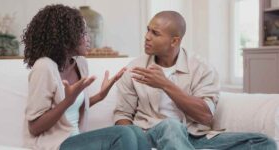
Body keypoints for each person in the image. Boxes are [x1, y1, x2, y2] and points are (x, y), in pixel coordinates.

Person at [114, 10, 277, 150]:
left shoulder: (201, 68)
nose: (147, 37)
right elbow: (122, 115)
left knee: (263, 143)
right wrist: (135, 143)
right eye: (148, 30)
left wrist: (165, 84)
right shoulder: (134, 69)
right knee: (171, 125)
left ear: (174, 41)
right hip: (149, 135)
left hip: (194, 136)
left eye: (155, 33)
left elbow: (205, 116)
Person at [22, 4, 150, 150]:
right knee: (122, 134)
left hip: (76, 140)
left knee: (134, 131)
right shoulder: (44, 67)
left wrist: (100, 96)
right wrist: (67, 101)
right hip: (53, 145)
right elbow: (34, 127)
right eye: (83, 32)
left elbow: (75, 105)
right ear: (66, 37)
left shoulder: (80, 64)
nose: (88, 38)